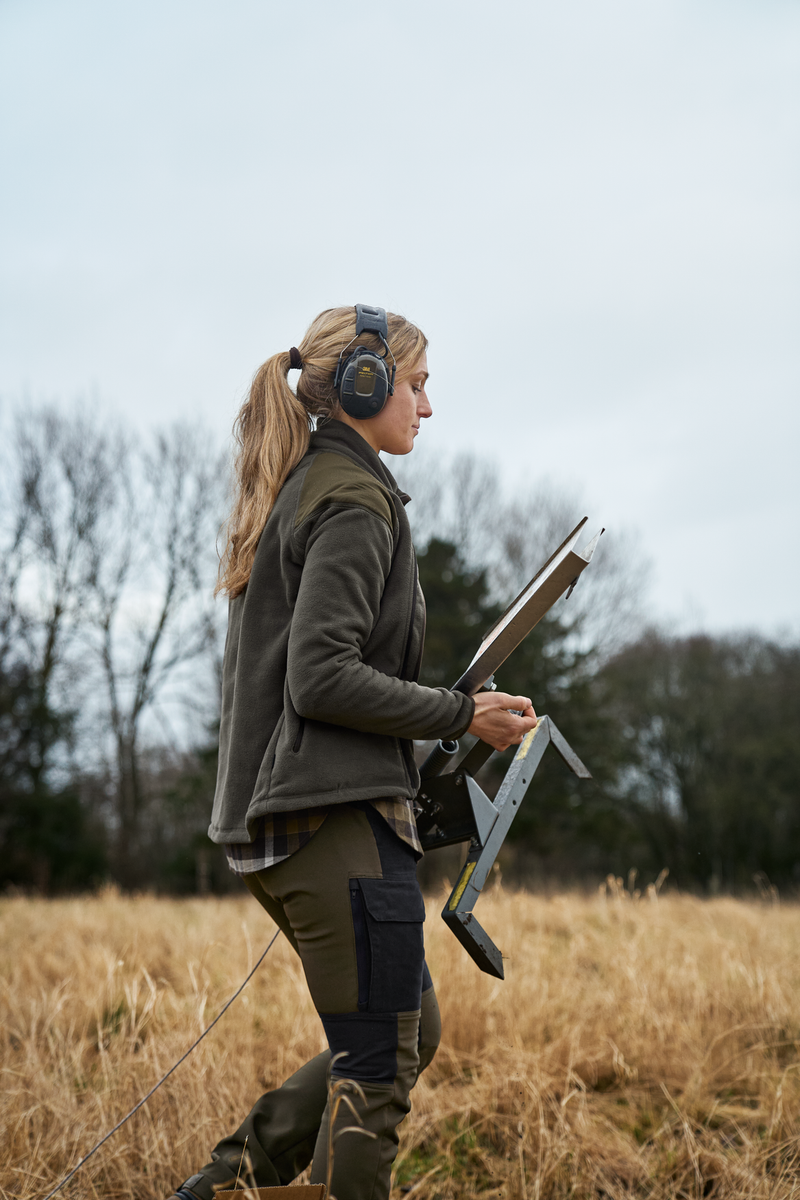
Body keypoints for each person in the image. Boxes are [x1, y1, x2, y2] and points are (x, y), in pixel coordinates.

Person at [168, 305, 537, 1200]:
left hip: (297, 822)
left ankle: (221, 1187)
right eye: (417, 386)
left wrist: (444, 719)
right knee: (377, 1067)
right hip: (329, 825)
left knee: (408, 1031)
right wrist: (461, 714)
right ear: (365, 386)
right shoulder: (353, 500)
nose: (427, 407)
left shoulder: (313, 484)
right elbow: (322, 679)